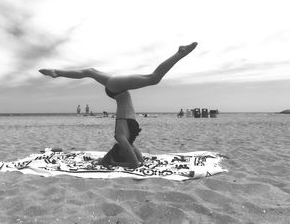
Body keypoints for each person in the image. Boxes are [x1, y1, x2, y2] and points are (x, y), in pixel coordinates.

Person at [39, 42, 198, 168]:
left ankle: (57, 72)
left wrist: (115, 161)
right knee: (152, 78)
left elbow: (137, 160)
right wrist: (117, 161)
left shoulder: (127, 138)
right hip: (117, 91)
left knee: (90, 71)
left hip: (122, 99)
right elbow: (137, 161)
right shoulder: (124, 138)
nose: (120, 147)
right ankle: (180, 53)